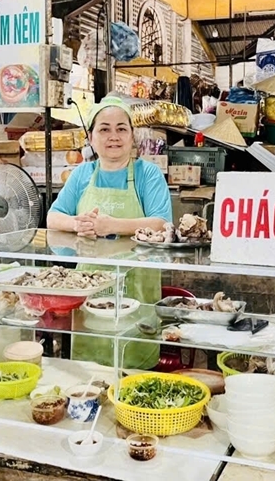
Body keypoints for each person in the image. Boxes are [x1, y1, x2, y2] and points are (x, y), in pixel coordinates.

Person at [47, 95, 172, 370]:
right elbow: (53, 218)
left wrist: (111, 225)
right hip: (89, 287)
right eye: (104, 129)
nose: (113, 136)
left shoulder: (148, 174)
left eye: (121, 128)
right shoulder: (82, 174)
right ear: (91, 138)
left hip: (137, 288)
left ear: (132, 136)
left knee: (133, 368)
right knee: (90, 373)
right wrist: (78, 224)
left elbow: (162, 224)